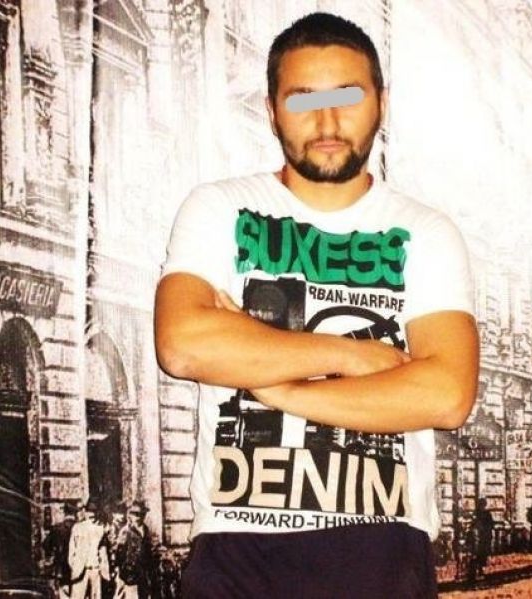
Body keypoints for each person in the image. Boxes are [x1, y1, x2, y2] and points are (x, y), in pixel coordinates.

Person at [155, 11, 479, 598]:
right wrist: (352, 356)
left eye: (347, 97)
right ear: (271, 110)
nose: (327, 122)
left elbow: (446, 394)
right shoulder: (219, 208)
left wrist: (278, 387)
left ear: (382, 103)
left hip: (382, 548)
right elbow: (182, 344)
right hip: (236, 549)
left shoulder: (426, 231)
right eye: (303, 99)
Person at [68, 499, 110, 599]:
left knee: (96, 596)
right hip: (80, 569)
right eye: (90, 511)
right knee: (78, 596)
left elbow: (103, 552)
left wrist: (103, 569)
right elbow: (72, 549)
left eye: (94, 512)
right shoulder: (77, 528)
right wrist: (74, 565)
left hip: (95, 569)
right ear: (85, 512)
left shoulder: (101, 529)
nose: (92, 514)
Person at [113, 501, 154, 599]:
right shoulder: (126, 531)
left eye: (141, 514)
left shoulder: (146, 530)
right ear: (130, 515)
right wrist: (120, 569)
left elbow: (148, 551)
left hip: (142, 573)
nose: (139, 518)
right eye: (136, 514)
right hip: (129, 573)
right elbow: (119, 552)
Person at [44, 501, 79, 598]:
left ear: (64, 513)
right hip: (78, 568)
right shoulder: (80, 527)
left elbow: (46, 545)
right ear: (75, 513)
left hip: (61, 568)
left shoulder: (57, 528)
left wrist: (52, 555)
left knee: (63, 594)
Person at [467, 498, 494, 581]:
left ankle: (481, 570)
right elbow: (472, 525)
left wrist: (487, 534)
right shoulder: (476, 514)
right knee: (476, 555)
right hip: (477, 538)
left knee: (482, 555)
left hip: (484, 538)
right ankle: (475, 572)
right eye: (481, 505)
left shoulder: (487, 514)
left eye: (483, 505)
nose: (482, 506)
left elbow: (491, 525)